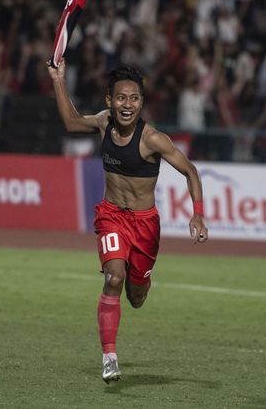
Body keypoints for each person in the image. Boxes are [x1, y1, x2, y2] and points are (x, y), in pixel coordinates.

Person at [47, 59, 209, 383]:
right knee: (113, 280)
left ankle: (143, 281)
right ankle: (109, 357)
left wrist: (199, 214)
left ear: (141, 102)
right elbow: (71, 121)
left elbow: (190, 171)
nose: (127, 105)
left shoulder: (153, 140)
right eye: (121, 98)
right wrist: (58, 79)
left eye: (134, 98)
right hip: (111, 217)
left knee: (136, 297)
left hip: (145, 226)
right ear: (109, 100)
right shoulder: (104, 123)